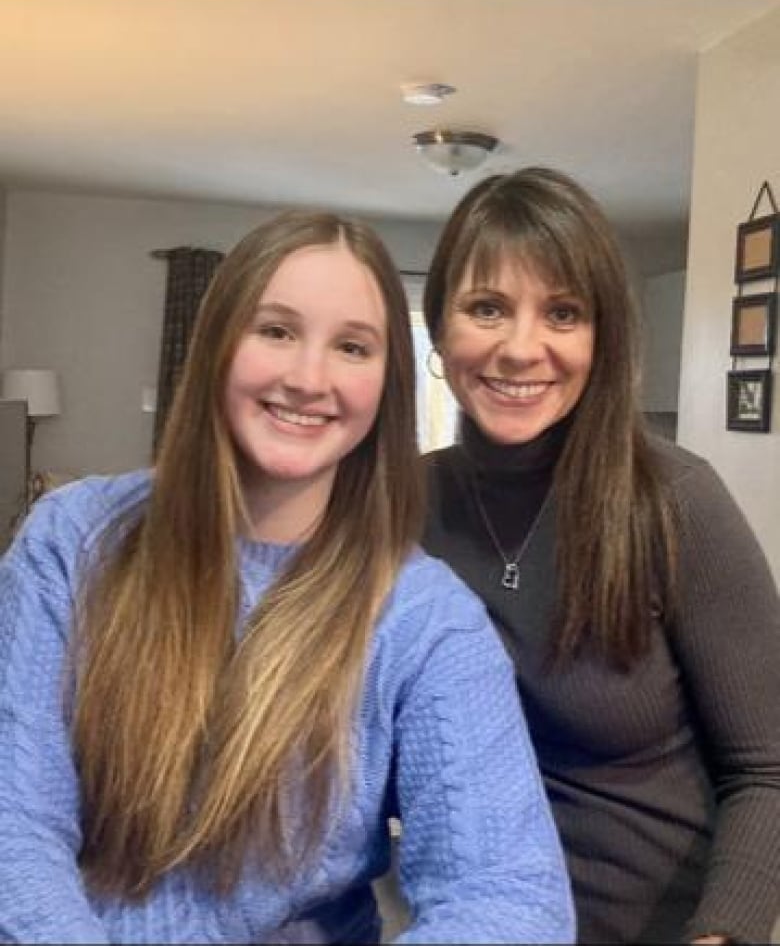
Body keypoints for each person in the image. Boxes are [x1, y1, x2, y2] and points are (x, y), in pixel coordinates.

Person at [0, 210, 575, 945]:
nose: (309, 379)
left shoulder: (426, 620)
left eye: (353, 347)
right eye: (275, 330)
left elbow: (512, 900)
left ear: (386, 384)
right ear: (215, 346)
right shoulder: (71, 539)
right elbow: (15, 825)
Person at [420, 168, 780, 945]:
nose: (522, 349)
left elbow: (770, 770)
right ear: (439, 328)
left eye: (563, 313)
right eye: (487, 307)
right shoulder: (397, 506)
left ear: (601, 335)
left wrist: (720, 937)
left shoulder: (675, 500)